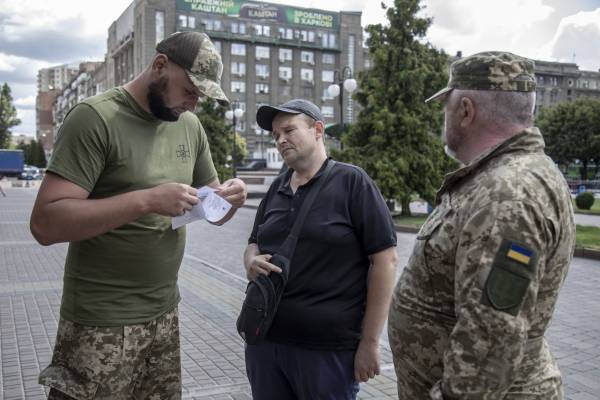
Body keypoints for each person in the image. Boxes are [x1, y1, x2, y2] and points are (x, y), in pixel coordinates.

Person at [30, 31, 247, 399]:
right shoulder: (96, 118)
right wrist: (145, 201)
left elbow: (213, 207)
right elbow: (45, 224)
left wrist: (231, 200)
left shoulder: (189, 126)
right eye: (189, 91)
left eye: (199, 97)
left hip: (165, 314)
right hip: (101, 323)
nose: (192, 105)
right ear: (159, 65)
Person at [388, 51, 576, 399]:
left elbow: (490, 338)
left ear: (465, 111)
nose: (444, 117)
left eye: (447, 107)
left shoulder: (507, 195)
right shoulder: (501, 178)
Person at [244, 99, 398, 399]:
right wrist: (250, 259)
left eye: (289, 130)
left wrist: (369, 342)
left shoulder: (352, 182)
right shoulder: (277, 187)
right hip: (265, 342)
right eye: (276, 135)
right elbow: (253, 242)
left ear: (317, 130)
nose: (281, 140)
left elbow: (386, 261)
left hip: (326, 351)